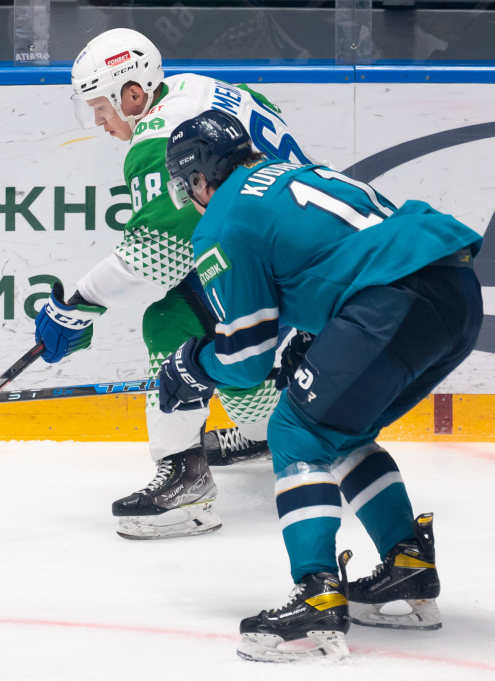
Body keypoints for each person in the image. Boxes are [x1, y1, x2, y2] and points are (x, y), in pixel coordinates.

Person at [156, 110, 483, 662]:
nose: (189, 197)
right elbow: (344, 253)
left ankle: (316, 594)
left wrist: (191, 366)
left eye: (186, 185)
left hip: (390, 302)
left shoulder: (223, 221)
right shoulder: (289, 173)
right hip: (456, 290)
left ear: (199, 177)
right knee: (339, 428)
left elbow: (245, 362)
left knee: (295, 431)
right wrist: (316, 340)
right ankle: (406, 565)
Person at [34, 28, 315, 540]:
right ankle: (268, 431)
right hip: (301, 253)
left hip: (274, 268)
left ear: (132, 94)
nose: (98, 121)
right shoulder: (205, 88)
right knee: (217, 326)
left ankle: (186, 484)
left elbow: (155, 260)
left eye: (100, 107)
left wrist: (78, 305)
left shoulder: (159, 139)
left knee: (170, 319)